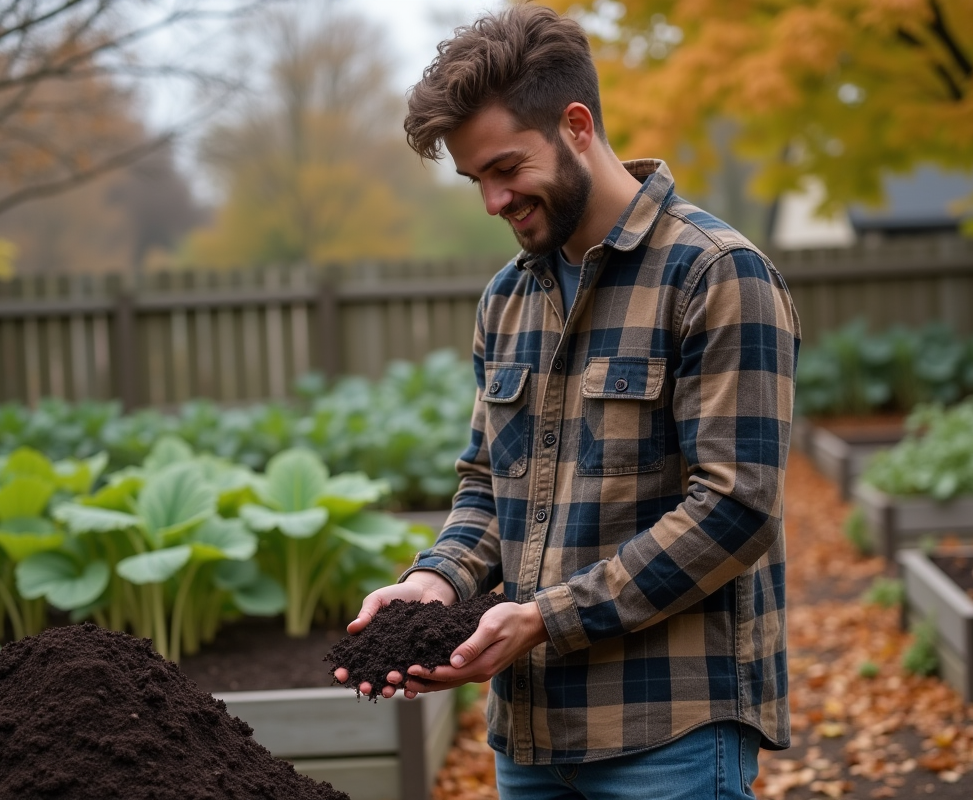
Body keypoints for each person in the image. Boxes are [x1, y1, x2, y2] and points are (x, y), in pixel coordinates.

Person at [333, 5, 800, 798]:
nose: (492, 200)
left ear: (576, 125)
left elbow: (735, 507)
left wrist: (547, 617)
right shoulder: (506, 300)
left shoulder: (717, 274)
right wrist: (437, 582)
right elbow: (487, 485)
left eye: (507, 168)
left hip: (669, 736)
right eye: (476, 178)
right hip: (529, 738)